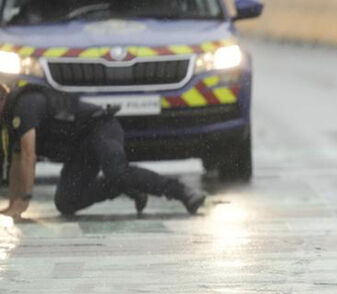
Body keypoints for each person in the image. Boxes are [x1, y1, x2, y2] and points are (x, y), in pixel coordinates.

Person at [0, 84, 206, 220]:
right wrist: (12, 205)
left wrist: (23, 201)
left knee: (117, 171)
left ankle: (183, 193)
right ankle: (124, 187)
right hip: (81, 149)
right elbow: (17, 160)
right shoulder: (9, 119)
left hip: (100, 127)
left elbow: (29, 155)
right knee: (66, 202)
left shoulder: (24, 105)